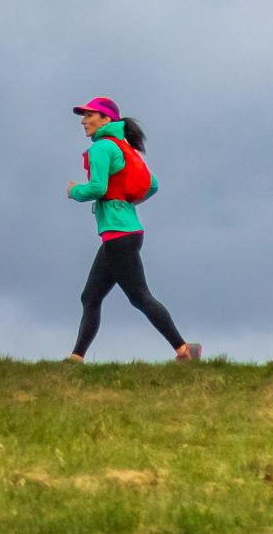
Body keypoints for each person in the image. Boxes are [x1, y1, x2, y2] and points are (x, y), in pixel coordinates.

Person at [64, 97, 202, 364]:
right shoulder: (124, 148)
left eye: (89, 115)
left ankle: (185, 350)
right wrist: (125, 203)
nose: (83, 121)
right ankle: (75, 358)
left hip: (119, 235)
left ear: (106, 120)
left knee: (140, 297)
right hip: (124, 232)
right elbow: (153, 185)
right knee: (90, 296)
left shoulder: (102, 148)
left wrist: (73, 191)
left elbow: (97, 188)